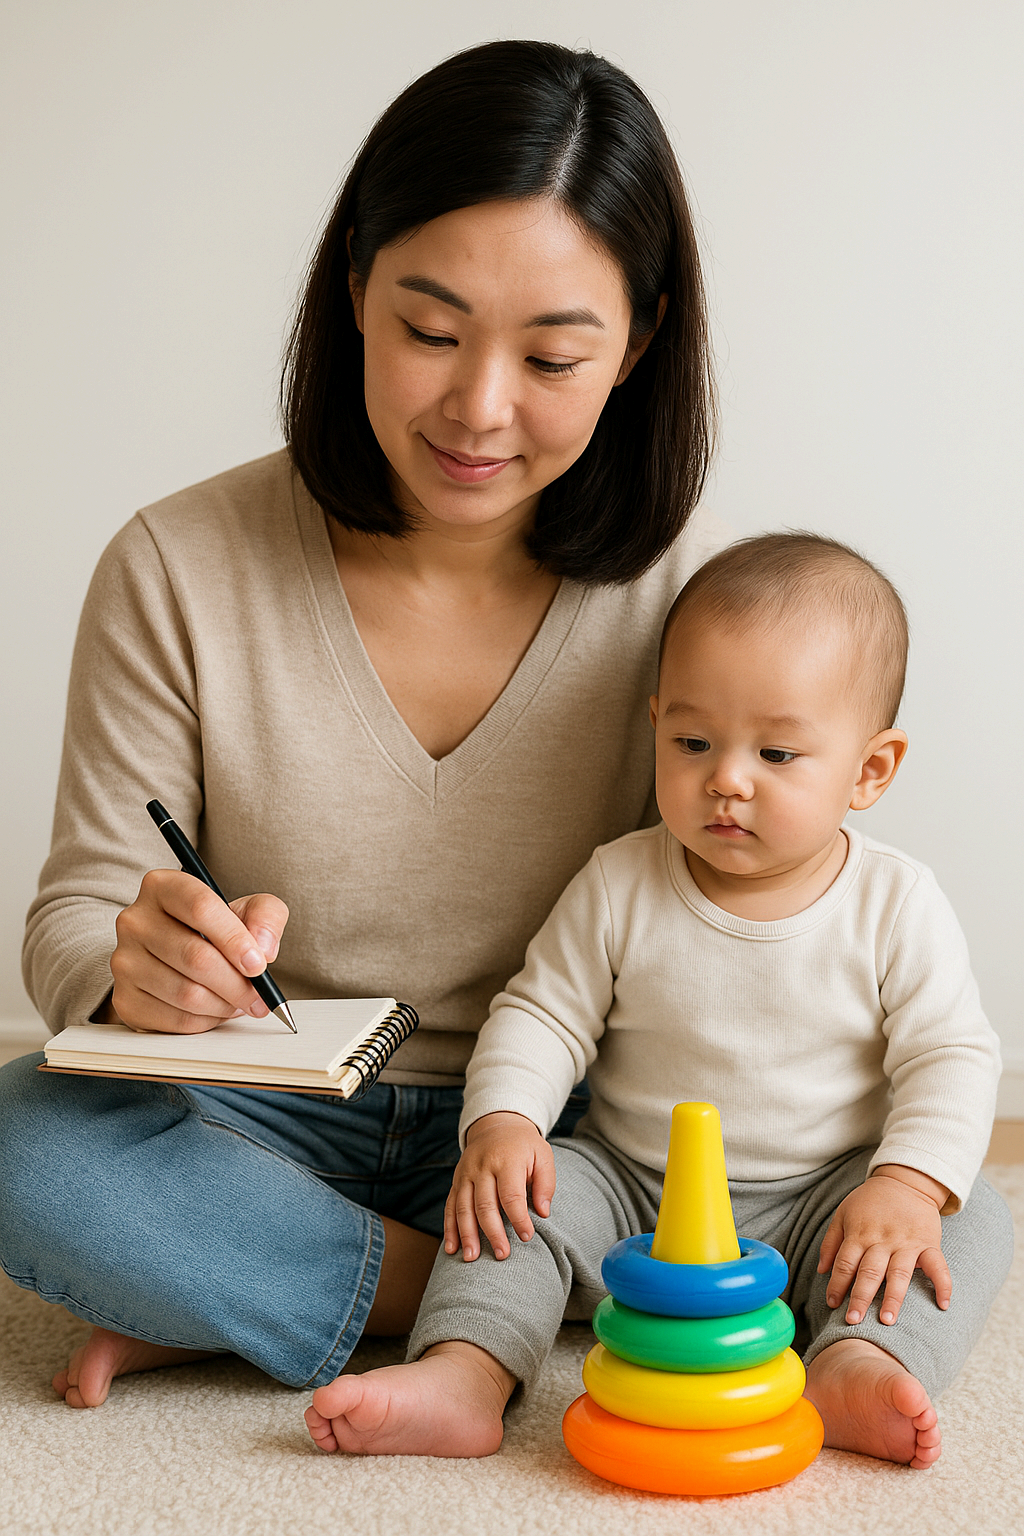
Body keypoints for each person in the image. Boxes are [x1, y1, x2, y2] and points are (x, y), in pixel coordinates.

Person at [0, 40, 725, 1409]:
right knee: (26, 1149)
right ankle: (457, 1293)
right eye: (430, 330)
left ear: (638, 344)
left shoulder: (689, 606)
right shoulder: (177, 564)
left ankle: (260, 1294)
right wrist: (132, 966)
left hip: (559, 1123)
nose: (478, 407)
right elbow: (78, 909)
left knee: (836, 1167)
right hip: (268, 1115)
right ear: (350, 292)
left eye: (554, 354)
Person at [304, 533, 1012, 1468]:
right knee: (515, 1203)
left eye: (778, 751)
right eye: (692, 742)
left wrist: (907, 1184)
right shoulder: (618, 882)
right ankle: (466, 1371)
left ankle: (855, 1360)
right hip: (633, 1189)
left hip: (823, 1200)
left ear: (870, 770)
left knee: (973, 1220)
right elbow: (540, 1014)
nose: (726, 776)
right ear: (654, 728)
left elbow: (951, 1055)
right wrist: (504, 1125)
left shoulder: (894, 902)